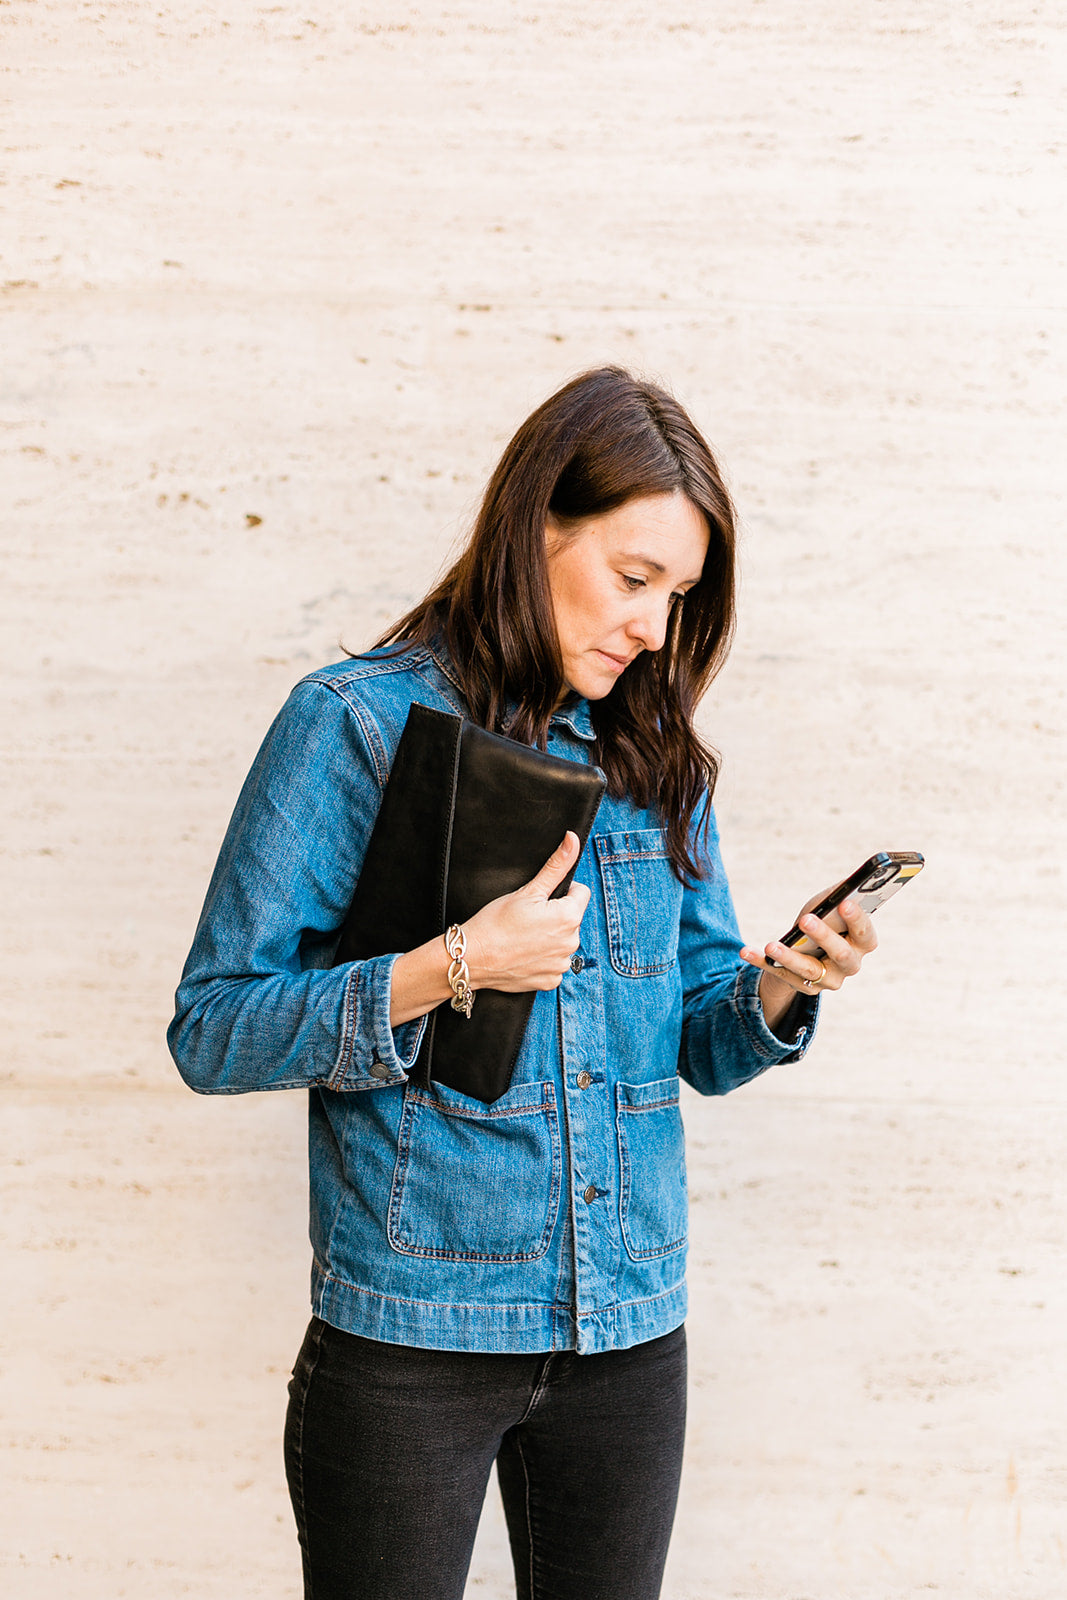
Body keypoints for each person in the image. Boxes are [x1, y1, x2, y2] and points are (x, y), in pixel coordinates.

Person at [168, 367, 877, 1600]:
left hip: (630, 1329)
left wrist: (780, 985)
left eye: (681, 593)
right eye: (632, 576)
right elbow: (214, 1027)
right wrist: (452, 966)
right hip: (411, 1333)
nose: (655, 627)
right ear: (535, 526)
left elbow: (702, 1039)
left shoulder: (654, 754)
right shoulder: (354, 725)